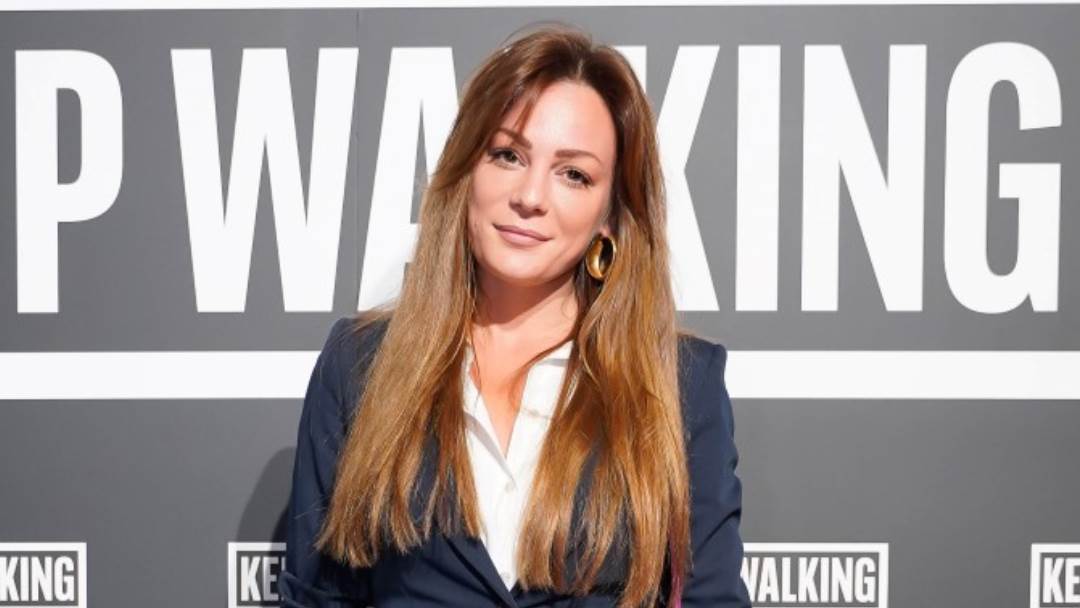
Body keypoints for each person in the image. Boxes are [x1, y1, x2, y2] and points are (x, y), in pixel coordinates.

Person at [280, 22, 751, 608]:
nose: (530, 197)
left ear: (611, 215)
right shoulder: (359, 366)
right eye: (508, 155)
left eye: (573, 174)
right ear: (466, 171)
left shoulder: (680, 383)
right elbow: (319, 596)